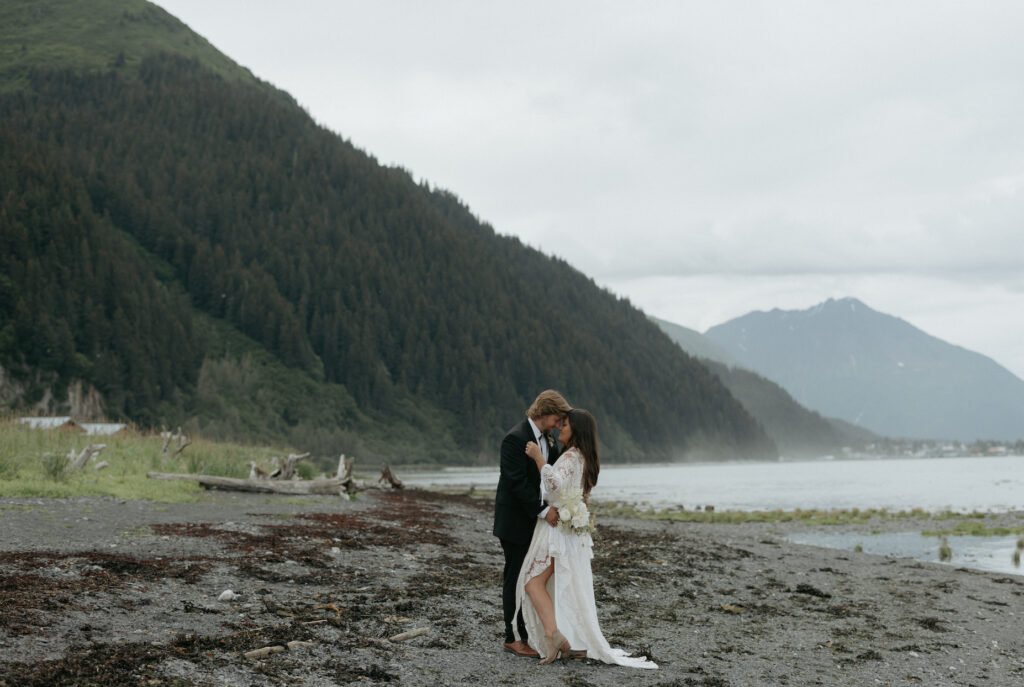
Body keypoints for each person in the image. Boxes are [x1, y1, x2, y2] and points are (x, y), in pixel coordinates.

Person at [514, 408, 658, 669]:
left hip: (555, 531)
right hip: (563, 529)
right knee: (538, 582)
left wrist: (538, 459)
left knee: (532, 582)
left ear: (577, 430)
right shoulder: (580, 457)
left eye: (565, 425)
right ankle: (557, 635)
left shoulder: (571, 456)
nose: (560, 428)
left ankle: (554, 636)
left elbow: (554, 485)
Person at [493, 389, 572, 657]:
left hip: (536, 524)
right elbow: (516, 483)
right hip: (515, 521)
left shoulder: (549, 442)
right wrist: (544, 510)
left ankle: (533, 633)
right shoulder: (514, 439)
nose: (559, 425)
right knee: (515, 577)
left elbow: (548, 480)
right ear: (546, 413)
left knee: (531, 578)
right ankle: (513, 638)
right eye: (558, 419)